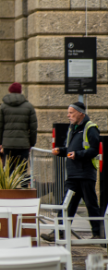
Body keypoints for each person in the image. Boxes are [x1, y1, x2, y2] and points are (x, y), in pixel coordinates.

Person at [45, 102, 102, 240]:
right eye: (68, 112)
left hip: (86, 173)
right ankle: (59, 233)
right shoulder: (73, 129)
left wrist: (78, 155)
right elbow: (70, 150)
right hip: (73, 174)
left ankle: (98, 234)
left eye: (71, 112)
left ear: (80, 113)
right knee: (66, 204)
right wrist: (61, 151)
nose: (68, 115)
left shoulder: (90, 128)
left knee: (91, 204)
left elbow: (94, 150)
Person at [0, 83, 38, 166]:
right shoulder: (29, 107)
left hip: (8, 144)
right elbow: (33, 128)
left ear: (10, 91)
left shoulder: (3, 106)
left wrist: (1, 143)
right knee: (22, 170)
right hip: (23, 144)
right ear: (20, 91)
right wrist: (32, 143)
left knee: (9, 170)